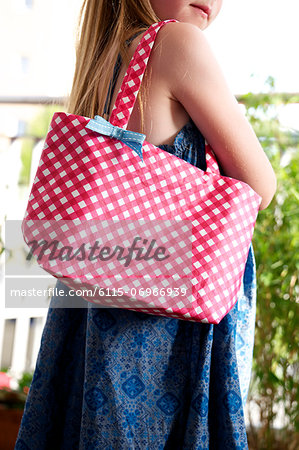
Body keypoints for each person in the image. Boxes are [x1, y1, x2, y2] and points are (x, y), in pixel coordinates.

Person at [16, 1, 276, 449]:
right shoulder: (178, 42)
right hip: (158, 335)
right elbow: (261, 183)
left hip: (91, 326)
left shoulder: (107, 58)